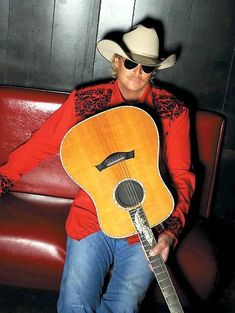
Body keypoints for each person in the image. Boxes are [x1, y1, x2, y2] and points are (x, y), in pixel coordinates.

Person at [0, 24, 195, 312]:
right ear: (117, 62)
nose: (137, 72)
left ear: (155, 71)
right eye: (131, 63)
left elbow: (182, 177)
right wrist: (3, 179)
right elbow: (39, 146)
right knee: (73, 303)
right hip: (93, 213)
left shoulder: (174, 111)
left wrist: (170, 232)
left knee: (124, 305)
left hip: (149, 220)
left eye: (147, 67)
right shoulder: (86, 101)